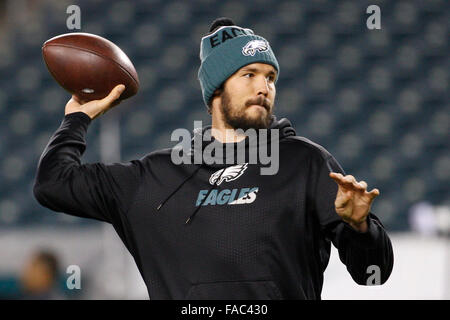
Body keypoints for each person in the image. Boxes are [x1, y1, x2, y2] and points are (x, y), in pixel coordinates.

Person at [33, 18, 394, 299]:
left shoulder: (306, 163)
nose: (263, 87)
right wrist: (77, 118)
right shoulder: (156, 176)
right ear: (216, 88)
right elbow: (53, 184)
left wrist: (360, 228)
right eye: (248, 74)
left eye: (270, 77)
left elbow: (372, 272)